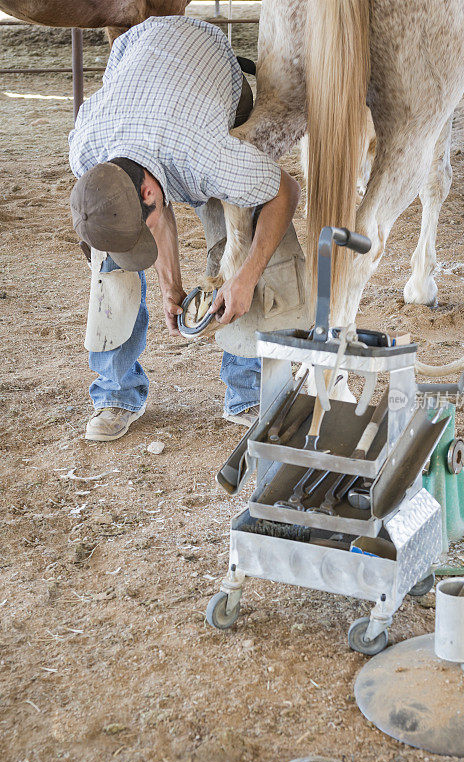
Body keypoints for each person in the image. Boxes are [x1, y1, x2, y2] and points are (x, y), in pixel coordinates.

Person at [68, 14, 300, 441]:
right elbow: (150, 214)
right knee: (109, 258)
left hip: (213, 73)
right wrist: (169, 286)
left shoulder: (208, 157)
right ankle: (115, 393)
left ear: (151, 193)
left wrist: (244, 278)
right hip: (140, 51)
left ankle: (247, 388)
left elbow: (285, 191)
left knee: (237, 231)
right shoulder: (85, 151)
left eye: (150, 213)